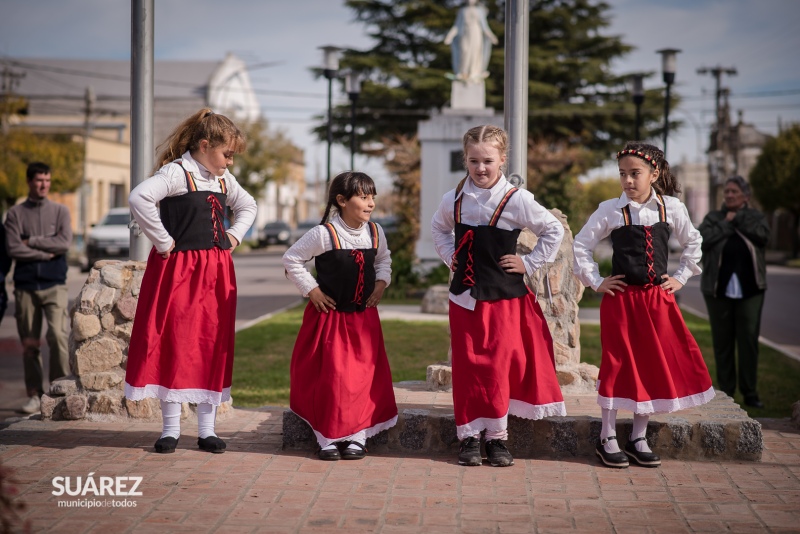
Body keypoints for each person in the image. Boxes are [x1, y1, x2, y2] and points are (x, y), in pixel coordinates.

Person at [573, 142, 715, 469]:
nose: (628, 180)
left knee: (650, 363)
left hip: (656, 300)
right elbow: (581, 245)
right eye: (622, 174)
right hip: (621, 300)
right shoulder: (610, 209)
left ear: (655, 174)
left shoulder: (671, 208)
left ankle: (638, 435)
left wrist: (680, 277)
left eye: (635, 173)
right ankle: (607, 435)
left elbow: (694, 242)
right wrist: (596, 281)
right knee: (618, 362)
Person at [431, 125, 566, 467]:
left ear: (502, 160)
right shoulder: (455, 199)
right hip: (464, 296)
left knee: (496, 366)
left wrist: (530, 262)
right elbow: (438, 228)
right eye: (473, 160)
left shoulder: (517, 199)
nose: (480, 168)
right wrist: (451, 257)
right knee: (466, 367)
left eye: (488, 161)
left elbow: (553, 229)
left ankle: (497, 438)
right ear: (465, 159)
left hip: (504, 297)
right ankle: (468, 437)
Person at [125, 108, 257, 454]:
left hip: (215, 271)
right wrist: (163, 241)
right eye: (226, 153)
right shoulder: (177, 172)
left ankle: (207, 430)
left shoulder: (225, 180)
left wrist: (234, 236)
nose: (230, 161)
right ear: (203, 145)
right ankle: (170, 429)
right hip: (179, 272)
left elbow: (249, 206)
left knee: (211, 343)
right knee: (175, 341)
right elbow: (139, 197)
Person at [283, 171, 398, 461]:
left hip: (363, 320)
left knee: (362, 378)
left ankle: (357, 435)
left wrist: (381, 284)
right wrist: (313, 290)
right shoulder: (325, 234)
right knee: (334, 379)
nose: (370, 203)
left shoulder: (375, 232)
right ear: (342, 200)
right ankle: (328, 437)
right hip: (331, 320)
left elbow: (384, 260)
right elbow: (292, 259)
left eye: (372, 197)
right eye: (363, 196)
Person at [4, 162, 72, 415]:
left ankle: (58, 390)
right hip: (26, 287)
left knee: (58, 336)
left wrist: (31, 241)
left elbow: (64, 243)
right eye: (39, 180)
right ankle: (34, 394)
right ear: (29, 182)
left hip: (55, 284)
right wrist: (46, 253)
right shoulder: (15, 214)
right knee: (30, 343)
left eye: (47, 180)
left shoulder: (60, 211)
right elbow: (13, 248)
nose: (43, 185)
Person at [698, 176, 770, 409]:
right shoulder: (713, 218)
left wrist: (737, 218)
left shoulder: (756, 217)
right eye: (727, 191)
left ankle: (750, 392)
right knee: (722, 342)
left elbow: (762, 236)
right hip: (717, 290)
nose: (729, 195)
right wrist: (727, 222)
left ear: (745, 196)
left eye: (734, 192)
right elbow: (703, 240)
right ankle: (726, 391)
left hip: (751, 290)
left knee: (748, 340)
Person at [444, 0, 498, 83]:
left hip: (476, 33)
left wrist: (491, 36)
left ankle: (474, 72)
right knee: (464, 52)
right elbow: (456, 26)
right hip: (465, 34)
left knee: (475, 53)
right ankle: (463, 72)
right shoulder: (462, 11)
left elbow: (485, 27)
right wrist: (449, 36)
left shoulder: (480, 10)